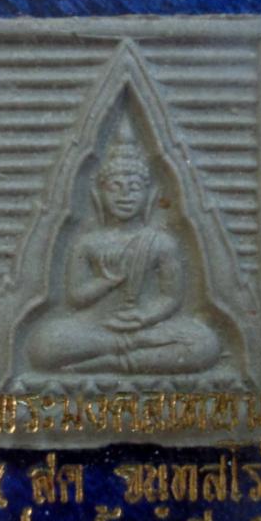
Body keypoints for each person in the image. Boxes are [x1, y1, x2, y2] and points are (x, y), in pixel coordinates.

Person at [27, 117, 220, 374]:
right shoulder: (88, 243)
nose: (125, 195)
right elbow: (76, 297)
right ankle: (124, 351)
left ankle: (114, 362)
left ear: (150, 196)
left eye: (134, 187)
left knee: (206, 343)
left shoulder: (161, 242)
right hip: (96, 327)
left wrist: (145, 317)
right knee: (44, 343)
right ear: (99, 195)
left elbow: (170, 296)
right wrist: (105, 281)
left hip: (146, 329)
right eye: (115, 187)